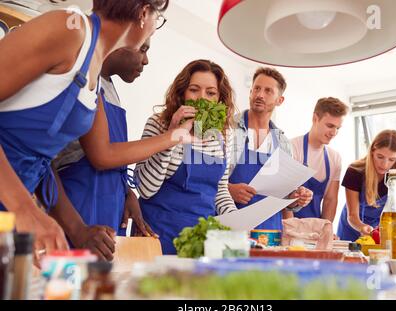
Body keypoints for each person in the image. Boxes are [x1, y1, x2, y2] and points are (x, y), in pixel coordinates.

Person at [0, 0, 169, 260]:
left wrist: (77, 228)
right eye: (158, 19)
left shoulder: (94, 72)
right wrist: (25, 208)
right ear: (144, 13)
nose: (154, 29)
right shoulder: (70, 28)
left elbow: (41, 160)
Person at [135, 59, 239, 254]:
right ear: (182, 92)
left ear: (219, 99)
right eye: (194, 89)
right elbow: (146, 189)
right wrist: (172, 137)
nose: (202, 98)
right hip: (157, 234)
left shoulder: (224, 135)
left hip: (200, 240)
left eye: (210, 93)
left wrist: (237, 223)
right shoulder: (158, 124)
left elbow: (220, 190)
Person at [228, 67, 313, 231]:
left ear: (279, 100)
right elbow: (206, 180)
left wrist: (294, 198)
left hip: (270, 231)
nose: (260, 95)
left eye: (268, 91)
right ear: (251, 92)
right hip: (230, 225)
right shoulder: (228, 129)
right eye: (257, 89)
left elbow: (283, 195)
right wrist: (228, 189)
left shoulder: (283, 143)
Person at [337, 130, 396, 241]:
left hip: (380, 230)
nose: (385, 164)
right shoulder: (354, 171)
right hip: (351, 227)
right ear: (372, 151)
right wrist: (362, 227)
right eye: (380, 157)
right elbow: (352, 215)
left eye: (391, 159)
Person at [289, 97, 348, 223]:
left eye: (338, 128)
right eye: (330, 126)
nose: (334, 132)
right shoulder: (292, 148)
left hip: (315, 228)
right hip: (290, 226)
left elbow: (330, 200)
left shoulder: (335, 158)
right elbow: (283, 197)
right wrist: (288, 230)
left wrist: (326, 229)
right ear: (315, 118)